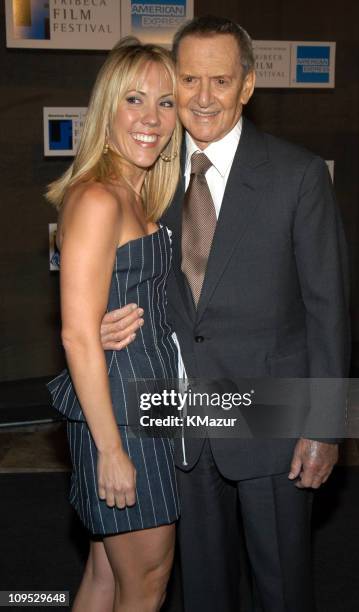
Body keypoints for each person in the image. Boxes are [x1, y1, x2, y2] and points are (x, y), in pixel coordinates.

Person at [100, 16, 350, 612]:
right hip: (179, 422)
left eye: (220, 80)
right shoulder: (148, 175)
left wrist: (323, 426)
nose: (203, 97)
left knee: (282, 587)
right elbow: (134, 277)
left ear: (247, 85)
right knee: (201, 590)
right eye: (189, 80)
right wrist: (111, 319)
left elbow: (328, 311)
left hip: (274, 422)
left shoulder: (299, 175)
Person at [46, 37, 182, 612]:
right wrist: (111, 450)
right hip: (122, 420)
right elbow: (77, 334)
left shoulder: (135, 193)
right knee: (144, 585)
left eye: (167, 102)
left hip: (144, 403)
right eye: (135, 99)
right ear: (108, 108)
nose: (152, 119)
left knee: (106, 578)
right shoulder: (100, 198)